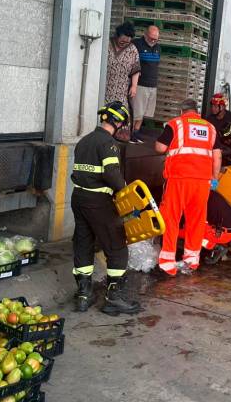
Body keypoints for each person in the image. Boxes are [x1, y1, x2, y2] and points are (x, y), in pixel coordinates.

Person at [71, 101, 141, 315]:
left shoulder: (83, 141)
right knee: (117, 245)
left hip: (79, 198)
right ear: (118, 122)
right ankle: (114, 297)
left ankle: (84, 294)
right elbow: (111, 174)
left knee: (83, 242)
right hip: (99, 202)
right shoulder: (109, 144)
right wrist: (126, 192)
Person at [155, 99, 222, 276]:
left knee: (171, 217)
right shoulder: (211, 128)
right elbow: (217, 157)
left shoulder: (175, 124)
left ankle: (167, 263)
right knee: (197, 219)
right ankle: (192, 260)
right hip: (202, 182)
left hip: (179, 179)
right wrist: (214, 179)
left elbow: (160, 148)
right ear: (196, 111)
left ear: (182, 111)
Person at [104, 22, 141, 143]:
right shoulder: (107, 44)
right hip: (104, 86)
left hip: (121, 88)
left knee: (121, 112)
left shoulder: (132, 49)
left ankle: (119, 137)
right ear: (117, 35)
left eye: (127, 41)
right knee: (104, 111)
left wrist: (134, 86)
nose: (124, 43)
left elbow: (136, 69)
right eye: (122, 40)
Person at [130, 25, 161, 144]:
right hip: (140, 84)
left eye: (155, 39)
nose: (153, 41)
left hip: (152, 84)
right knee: (137, 111)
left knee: (144, 113)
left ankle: (136, 133)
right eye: (151, 38)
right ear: (145, 34)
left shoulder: (158, 47)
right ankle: (130, 133)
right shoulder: (137, 44)